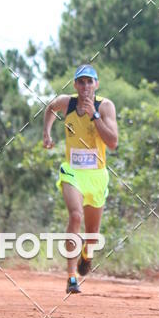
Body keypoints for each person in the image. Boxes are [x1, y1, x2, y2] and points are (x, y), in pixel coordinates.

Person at [43, 64, 118, 293]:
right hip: (72, 171)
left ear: (96, 84)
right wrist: (46, 133)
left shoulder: (105, 107)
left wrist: (94, 116)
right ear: (75, 85)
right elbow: (50, 108)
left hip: (96, 174)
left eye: (89, 82)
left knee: (92, 234)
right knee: (75, 216)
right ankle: (71, 277)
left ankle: (87, 253)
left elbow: (113, 143)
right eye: (81, 82)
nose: (85, 86)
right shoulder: (67, 103)